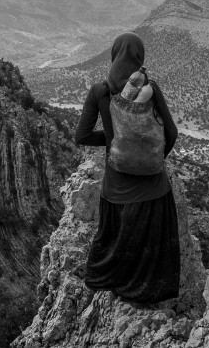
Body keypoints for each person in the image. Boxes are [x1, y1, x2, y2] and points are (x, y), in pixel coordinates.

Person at [74, 32, 180, 304]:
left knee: (113, 243)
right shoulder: (151, 89)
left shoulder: (99, 90)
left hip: (116, 189)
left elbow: (82, 136)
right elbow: (171, 132)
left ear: (114, 55)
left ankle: (114, 287)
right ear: (139, 57)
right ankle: (146, 298)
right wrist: (154, 158)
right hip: (154, 189)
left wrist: (114, 140)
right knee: (150, 249)